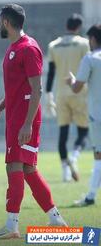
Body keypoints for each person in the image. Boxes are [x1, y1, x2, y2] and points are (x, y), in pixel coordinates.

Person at [0, 4, 67, 240]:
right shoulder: (14, 48)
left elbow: (37, 89)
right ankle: (56, 220)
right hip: (16, 115)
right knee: (29, 170)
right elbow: (16, 88)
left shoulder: (28, 48)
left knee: (14, 166)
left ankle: (11, 226)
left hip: (24, 118)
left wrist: (27, 124)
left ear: (6, 22)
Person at [45, 14, 90, 182]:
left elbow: (51, 73)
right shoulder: (84, 44)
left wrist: (48, 94)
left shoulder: (53, 45)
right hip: (80, 92)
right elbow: (89, 67)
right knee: (83, 131)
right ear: (78, 27)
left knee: (62, 134)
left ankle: (65, 171)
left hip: (61, 94)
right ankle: (75, 155)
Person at [66, 24, 101, 206]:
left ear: (93, 39)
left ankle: (90, 196)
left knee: (99, 156)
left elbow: (77, 87)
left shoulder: (90, 58)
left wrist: (71, 80)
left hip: (98, 116)